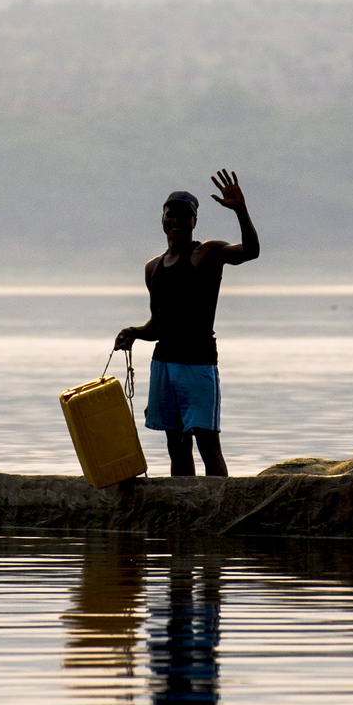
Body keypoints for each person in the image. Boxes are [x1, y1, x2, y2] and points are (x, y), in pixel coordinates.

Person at [114, 169, 260, 477]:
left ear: (194, 221)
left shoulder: (207, 253)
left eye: (184, 215)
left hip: (197, 364)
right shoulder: (153, 268)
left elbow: (250, 252)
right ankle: (183, 502)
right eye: (171, 214)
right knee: (176, 445)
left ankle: (218, 502)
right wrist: (134, 333)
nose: (176, 220)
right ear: (162, 219)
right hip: (164, 364)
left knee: (207, 443)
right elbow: (158, 326)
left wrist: (240, 210)